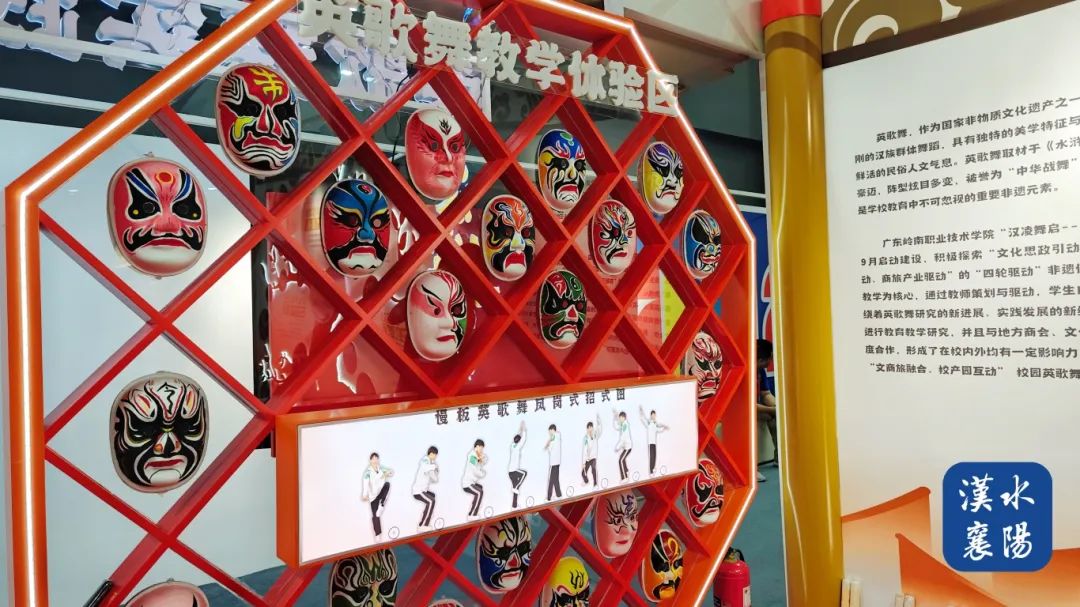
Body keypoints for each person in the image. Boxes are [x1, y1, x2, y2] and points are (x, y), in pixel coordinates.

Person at [757, 338, 778, 483]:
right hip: (737, 411)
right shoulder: (744, 370)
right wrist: (772, 410)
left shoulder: (760, 370)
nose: (770, 363)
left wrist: (777, 408)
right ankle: (750, 469)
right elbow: (745, 404)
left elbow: (766, 394)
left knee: (776, 418)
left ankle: (780, 458)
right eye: (768, 359)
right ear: (759, 359)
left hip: (753, 408)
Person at [361, 452, 394, 541]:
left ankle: (382, 504)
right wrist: (364, 495)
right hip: (373, 496)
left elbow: (391, 472)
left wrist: (388, 473)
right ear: (370, 460)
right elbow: (365, 483)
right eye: (373, 459)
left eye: (376, 458)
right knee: (375, 515)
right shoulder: (367, 472)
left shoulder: (381, 467)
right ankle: (377, 534)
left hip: (381, 492)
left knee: (387, 484)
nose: (375, 460)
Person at [412, 446, 439, 532]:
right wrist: (434, 466)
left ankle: (427, 515)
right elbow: (425, 467)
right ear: (431, 453)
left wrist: (435, 471)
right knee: (431, 501)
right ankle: (423, 525)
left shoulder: (430, 464)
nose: (436, 457)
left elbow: (435, 479)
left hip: (423, 491)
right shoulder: (425, 460)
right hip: (418, 491)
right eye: (435, 455)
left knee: (432, 496)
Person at [639, 406, 669, 476]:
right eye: (652, 415)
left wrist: (664, 428)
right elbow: (643, 419)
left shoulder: (655, 424)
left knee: (654, 456)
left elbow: (658, 430)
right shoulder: (649, 423)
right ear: (651, 415)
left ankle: (653, 469)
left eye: (654, 415)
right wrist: (641, 412)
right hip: (650, 443)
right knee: (651, 457)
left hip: (654, 443)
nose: (654, 416)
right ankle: (651, 472)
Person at [462, 439, 488, 520]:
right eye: (481, 447)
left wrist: (481, 457)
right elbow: (475, 470)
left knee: (480, 488)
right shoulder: (472, 456)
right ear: (476, 446)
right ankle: (472, 515)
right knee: (479, 492)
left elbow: (484, 461)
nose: (481, 450)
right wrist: (483, 473)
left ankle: (473, 509)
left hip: (471, 482)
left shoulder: (477, 456)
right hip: (467, 484)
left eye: (482, 448)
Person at [508, 422, 528, 508]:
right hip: (514, 471)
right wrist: (524, 430)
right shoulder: (518, 447)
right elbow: (523, 439)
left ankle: (514, 505)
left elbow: (518, 437)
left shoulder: (512, 446)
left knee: (515, 490)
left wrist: (520, 429)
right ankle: (516, 487)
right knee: (524, 473)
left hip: (510, 472)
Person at [581, 414, 602, 488]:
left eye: (591, 427)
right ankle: (586, 481)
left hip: (593, 457)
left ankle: (595, 484)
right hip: (587, 459)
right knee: (583, 473)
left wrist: (599, 423)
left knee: (593, 469)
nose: (590, 429)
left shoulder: (595, 435)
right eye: (588, 428)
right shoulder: (585, 438)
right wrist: (583, 462)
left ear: (593, 428)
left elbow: (599, 430)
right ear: (587, 429)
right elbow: (584, 451)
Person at [544, 424, 563, 500]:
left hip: (554, 462)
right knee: (554, 479)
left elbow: (549, 450)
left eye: (550, 431)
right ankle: (557, 495)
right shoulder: (557, 436)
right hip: (557, 462)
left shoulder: (554, 437)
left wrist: (548, 443)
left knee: (552, 480)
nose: (549, 433)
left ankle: (550, 497)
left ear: (552, 430)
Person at [613, 410, 633, 482]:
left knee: (620, 460)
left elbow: (623, 438)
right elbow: (616, 426)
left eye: (620, 418)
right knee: (622, 459)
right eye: (619, 418)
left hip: (628, 447)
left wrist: (617, 447)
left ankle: (624, 478)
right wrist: (615, 418)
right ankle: (626, 471)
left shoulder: (625, 425)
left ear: (624, 418)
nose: (619, 419)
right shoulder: (623, 424)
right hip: (626, 447)